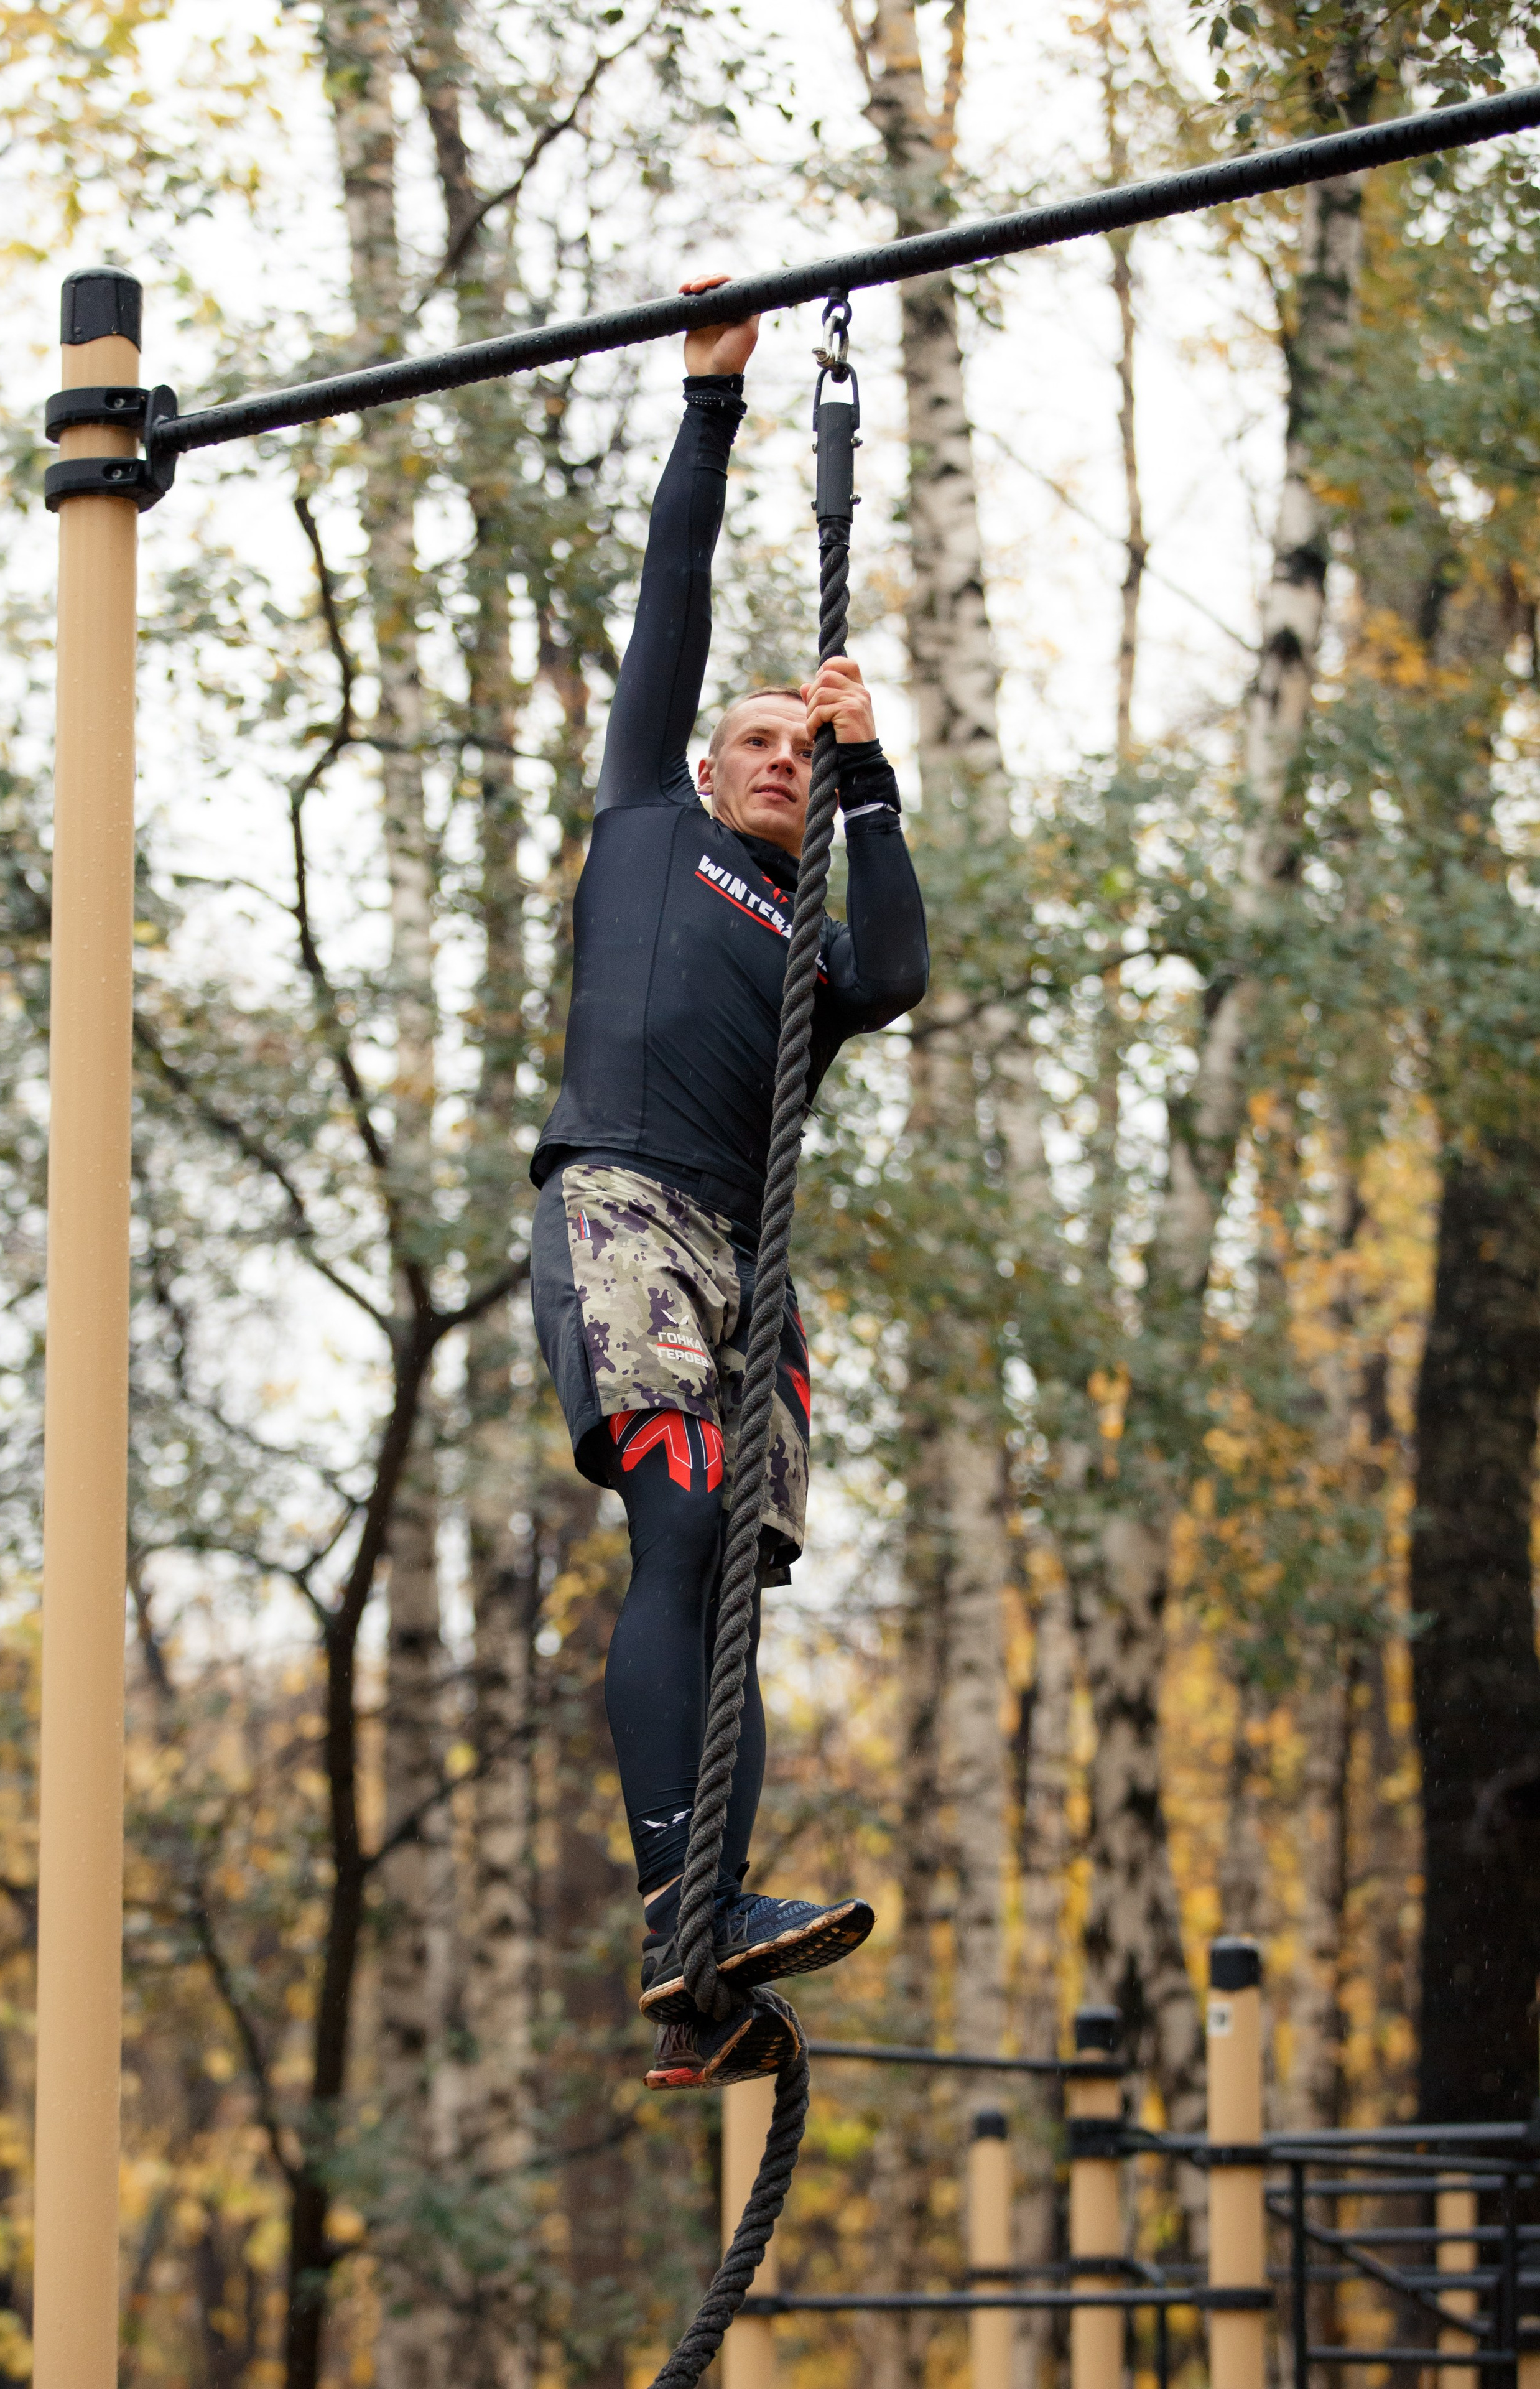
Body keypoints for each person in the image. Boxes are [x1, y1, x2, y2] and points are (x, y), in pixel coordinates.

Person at [529, 274, 930, 2089]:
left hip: (747, 1270)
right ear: (707, 771)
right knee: (677, 1533)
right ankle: (681, 1897)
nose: (780, 760)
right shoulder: (646, 831)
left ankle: (703, 1970)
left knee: (733, 1603)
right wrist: (712, 405)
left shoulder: (809, 944)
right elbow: (672, 612)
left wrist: (879, 784)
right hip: (626, 1207)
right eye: (760, 744)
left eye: (803, 749)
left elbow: (902, 973)